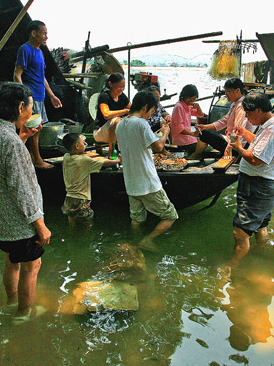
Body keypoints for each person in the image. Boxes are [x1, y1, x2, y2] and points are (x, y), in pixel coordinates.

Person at [0, 82, 51, 321]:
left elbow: (2, 164)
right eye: (30, 107)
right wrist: (39, 225)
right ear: (20, 107)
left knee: (11, 260)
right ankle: (23, 313)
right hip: (19, 222)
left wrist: (23, 138)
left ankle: (10, 302)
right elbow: (22, 189)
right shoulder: (10, 142)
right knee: (32, 265)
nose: (30, 112)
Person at [227, 92, 274, 265]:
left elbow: (255, 159)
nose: (246, 117)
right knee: (260, 226)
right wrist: (245, 133)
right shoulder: (271, 124)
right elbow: (261, 145)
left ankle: (230, 267)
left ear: (259, 110)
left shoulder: (272, 130)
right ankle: (263, 258)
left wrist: (238, 147)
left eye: (248, 113)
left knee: (240, 233)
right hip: (264, 186)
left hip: (258, 186)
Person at [115, 91, 178, 252]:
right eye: (151, 111)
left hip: (131, 182)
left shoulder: (121, 124)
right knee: (171, 216)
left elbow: (135, 145)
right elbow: (158, 147)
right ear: (145, 107)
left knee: (136, 218)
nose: (151, 115)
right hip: (148, 184)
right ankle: (147, 240)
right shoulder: (141, 124)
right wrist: (164, 132)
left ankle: (134, 244)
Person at [13, 19, 62, 169]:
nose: (46, 36)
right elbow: (17, 74)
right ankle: (37, 160)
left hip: (39, 97)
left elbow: (42, 77)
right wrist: (24, 97)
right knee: (32, 129)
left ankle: (33, 159)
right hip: (31, 97)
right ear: (34, 33)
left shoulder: (40, 52)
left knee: (37, 129)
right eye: (44, 33)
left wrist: (52, 96)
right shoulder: (25, 49)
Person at [60, 132, 120, 227]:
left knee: (72, 217)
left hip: (69, 197)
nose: (84, 145)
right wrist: (119, 160)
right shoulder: (84, 161)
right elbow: (107, 163)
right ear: (77, 146)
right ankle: (87, 236)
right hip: (81, 198)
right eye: (83, 143)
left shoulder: (66, 157)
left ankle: (72, 234)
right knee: (87, 219)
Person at [196, 78, 254, 157]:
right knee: (205, 131)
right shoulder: (235, 104)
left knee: (206, 134)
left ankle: (196, 155)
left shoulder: (241, 106)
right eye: (225, 92)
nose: (226, 95)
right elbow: (224, 121)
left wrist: (228, 150)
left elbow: (237, 131)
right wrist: (205, 127)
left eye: (228, 92)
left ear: (237, 91)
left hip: (238, 147)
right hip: (231, 141)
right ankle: (197, 154)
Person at [170, 84, 206, 158]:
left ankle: (193, 156)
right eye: (191, 99)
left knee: (204, 143)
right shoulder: (179, 107)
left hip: (188, 138)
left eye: (194, 100)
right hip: (182, 140)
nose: (192, 102)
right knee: (202, 148)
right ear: (185, 96)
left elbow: (200, 115)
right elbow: (179, 128)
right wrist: (193, 134)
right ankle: (190, 157)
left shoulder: (187, 106)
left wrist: (198, 106)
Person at [93, 73, 131, 145]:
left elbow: (133, 110)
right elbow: (106, 114)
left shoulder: (122, 96)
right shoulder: (104, 96)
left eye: (123, 87)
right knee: (116, 121)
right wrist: (125, 111)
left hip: (116, 132)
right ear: (110, 84)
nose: (122, 90)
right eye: (119, 87)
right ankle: (112, 152)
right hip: (100, 133)